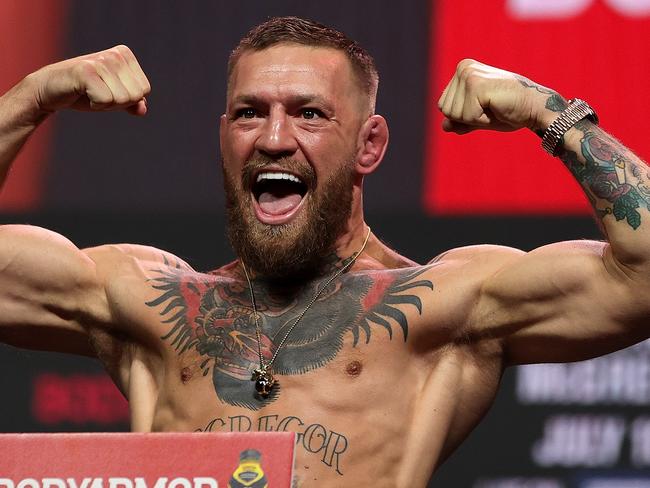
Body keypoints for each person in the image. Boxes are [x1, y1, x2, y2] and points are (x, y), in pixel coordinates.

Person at [1, 15, 649, 488]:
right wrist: (31, 98)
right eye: (250, 113)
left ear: (369, 145)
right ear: (223, 138)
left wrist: (550, 113)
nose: (275, 137)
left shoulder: (441, 306)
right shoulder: (152, 302)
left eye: (309, 114)